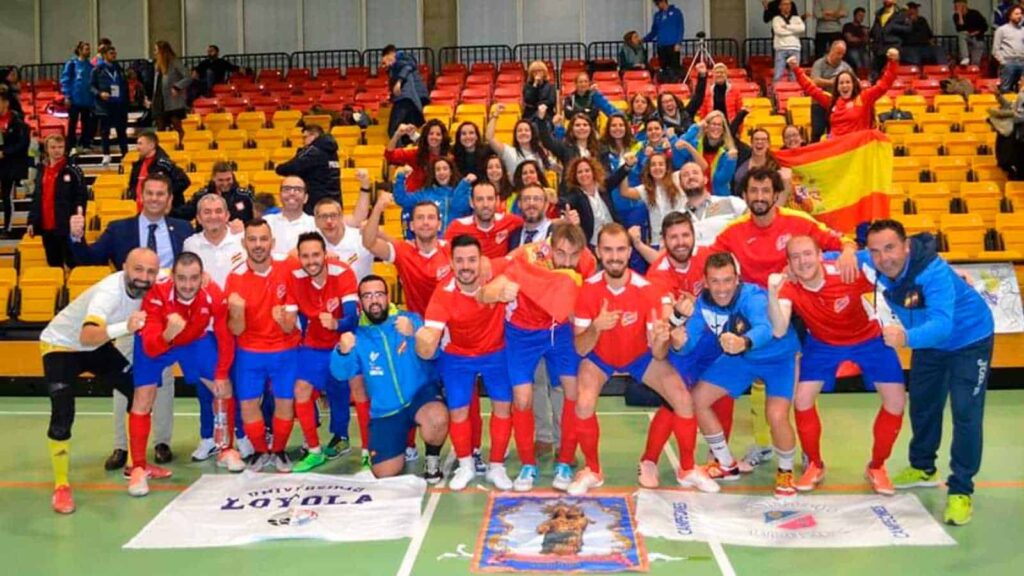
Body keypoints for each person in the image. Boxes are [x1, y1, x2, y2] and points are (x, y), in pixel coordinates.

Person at [568, 223, 717, 496]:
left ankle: (687, 469)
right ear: (599, 252)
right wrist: (596, 327)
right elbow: (580, 348)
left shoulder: (647, 289)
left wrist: (661, 337)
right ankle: (592, 470)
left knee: (683, 400)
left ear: (629, 252)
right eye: (609, 250)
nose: (615, 256)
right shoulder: (587, 290)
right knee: (584, 403)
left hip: (640, 356)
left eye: (621, 249)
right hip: (600, 357)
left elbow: (659, 353)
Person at [862, 219, 994, 526]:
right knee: (923, 405)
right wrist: (838, 253)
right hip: (929, 344)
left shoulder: (932, 271)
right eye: (876, 251)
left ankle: (961, 489)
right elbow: (839, 257)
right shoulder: (875, 261)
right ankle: (923, 467)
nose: (884, 258)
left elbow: (943, 325)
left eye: (891, 248)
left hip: (969, 340)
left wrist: (906, 338)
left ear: (906, 246)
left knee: (966, 412)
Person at [68, 174, 190, 469]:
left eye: (162, 194)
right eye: (150, 193)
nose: (155, 198)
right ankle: (121, 447)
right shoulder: (119, 229)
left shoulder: (184, 230)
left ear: (170, 199)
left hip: (165, 317)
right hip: (128, 316)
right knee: (123, 379)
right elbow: (87, 258)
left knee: (164, 380)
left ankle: (162, 441)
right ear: (141, 195)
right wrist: (75, 237)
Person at [767, 235, 906, 495]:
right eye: (795, 257)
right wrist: (773, 294)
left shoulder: (847, 269)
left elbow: (892, 266)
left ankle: (877, 466)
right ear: (788, 263)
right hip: (823, 343)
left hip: (869, 339)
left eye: (807, 254)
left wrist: (850, 249)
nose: (802, 261)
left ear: (821, 255)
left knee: (896, 402)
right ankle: (815, 464)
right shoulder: (789, 286)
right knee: (802, 400)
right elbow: (778, 328)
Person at [40, 248, 159, 513]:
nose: (144, 276)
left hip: (97, 347)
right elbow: (87, 335)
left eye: (151, 271)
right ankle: (61, 486)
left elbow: (173, 274)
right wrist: (125, 328)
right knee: (62, 413)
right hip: (62, 346)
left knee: (139, 392)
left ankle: (135, 464)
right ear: (125, 267)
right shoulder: (109, 292)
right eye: (138, 269)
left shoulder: (151, 279)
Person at [479, 221, 595, 491]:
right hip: (522, 333)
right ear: (550, 247)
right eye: (561, 253)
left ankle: (565, 461)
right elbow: (486, 290)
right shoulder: (527, 255)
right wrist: (497, 292)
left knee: (573, 393)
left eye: (573, 255)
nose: (567, 260)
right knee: (522, 398)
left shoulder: (587, 261)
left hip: (561, 331)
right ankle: (528, 465)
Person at [681, 252, 801, 497]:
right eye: (715, 281)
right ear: (705, 281)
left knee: (776, 415)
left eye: (727, 280)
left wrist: (743, 342)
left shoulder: (752, 296)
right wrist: (675, 337)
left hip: (779, 358)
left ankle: (786, 472)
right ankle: (726, 463)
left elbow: (767, 329)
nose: (722, 288)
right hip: (743, 359)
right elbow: (688, 342)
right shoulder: (701, 303)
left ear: (737, 279)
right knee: (697, 400)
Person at [128, 252, 242, 496]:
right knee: (143, 398)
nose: (188, 285)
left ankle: (225, 449)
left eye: (193, 279)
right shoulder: (157, 294)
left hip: (194, 340)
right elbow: (150, 347)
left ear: (202, 278)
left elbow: (224, 336)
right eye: (182, 279)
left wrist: (221, 373)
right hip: (158, 342)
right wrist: (168, 334)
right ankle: (138, 467)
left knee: (223, 388)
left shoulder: (213, 294)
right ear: (172, 277)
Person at [416, 234, 516, 491]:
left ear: (481, 260)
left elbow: (525, 256)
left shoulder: (496, 271)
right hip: (458, 355)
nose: (466, 266)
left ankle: (497, 467)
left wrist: (507, 283)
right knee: (459, 411)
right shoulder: (443, 293)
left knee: (503, 407)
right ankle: (465, 465)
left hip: (496, 351)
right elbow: (430, 336)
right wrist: (423, 339)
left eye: (472, 259)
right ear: (451, 263)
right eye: (460, 261)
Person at [332, 275, 448, 483]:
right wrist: (343, 351)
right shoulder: (356, 335)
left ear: (387, 297)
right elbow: (341, 374)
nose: (374, 300)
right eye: (367, 296)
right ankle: (400, 443)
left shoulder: (409, 319)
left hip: (420, 397)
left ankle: (432, 457)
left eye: (378, 294)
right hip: (386, 409)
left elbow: (435, 354)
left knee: (437, 419)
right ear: (361, 302)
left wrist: (416, 333)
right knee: (384, 472)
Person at [225, 218, 300, 472]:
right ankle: (259, 450)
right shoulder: (234, 277)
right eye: (253, 239)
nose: (258, 245)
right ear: (244, 242)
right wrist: (236, 312)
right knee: (247, 403)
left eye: (263, 239)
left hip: (286, 349)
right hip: (249, 351)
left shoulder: (288, 266)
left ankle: (278, 450)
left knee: (285, 402)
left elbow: (317, 263)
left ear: (272, 242)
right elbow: (235, 330)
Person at [286, 232, 359, 473]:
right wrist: (284, 319)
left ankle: (354, 444)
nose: (311, 261)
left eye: (316, 254)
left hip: (341, 343)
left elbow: (353, 317)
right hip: (312, 346)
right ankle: (314, 450)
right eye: (305, 256)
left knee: (347, 391)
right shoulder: (295, 277)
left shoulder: (343, 273)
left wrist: (337, 324)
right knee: (301, 390)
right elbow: (290, 318)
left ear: (325, 254)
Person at [790, 47, 900, 138]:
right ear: (837, 87)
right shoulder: (831, 101)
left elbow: (884, 84)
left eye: (848, 82)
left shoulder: (864, 97)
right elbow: (811, 88)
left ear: (853, 85)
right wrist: (796, 69)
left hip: (858, 151)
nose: (844, 85)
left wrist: (893, 62)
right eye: (841, 83)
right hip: (838, 153)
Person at [27, 134, 87, 268]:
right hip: (47, 226)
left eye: (60, 147)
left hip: (67, 226)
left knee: (74, 263)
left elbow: (81, 197)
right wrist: (32, 221)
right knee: (53, 264)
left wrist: (78, 221)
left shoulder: (73, 170)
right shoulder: (41, 170)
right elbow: (37, 197)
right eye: (53, 147)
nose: (57, 150)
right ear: (47, 149)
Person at [561, 156, 633, 248]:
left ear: (593, 172)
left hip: (615, 237)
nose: (584, 174)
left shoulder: (604, 187)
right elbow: (565, 201)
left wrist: (628, 166)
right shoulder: (576, 195)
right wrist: (554, 200)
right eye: (579, 172)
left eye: (587, 170)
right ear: (575, 176)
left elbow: (617, 176)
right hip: (593, 245)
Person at [393, 159, 473, 239]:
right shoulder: (425, 194)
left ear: (451, 172)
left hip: (456, 245)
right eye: (438, 169)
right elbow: (401, 199)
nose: (441, 172)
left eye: (445, 169)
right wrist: (401, 176)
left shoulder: (463, 192)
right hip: (432, 246)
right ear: (434, 174)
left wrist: (464, 185)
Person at [445, 181, 524, 258]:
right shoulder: (457, 227)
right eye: (480, 199)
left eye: (490, 199)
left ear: (497, 201)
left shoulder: (510, 221)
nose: (485, 205)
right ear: (471, 202)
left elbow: (533, 227)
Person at [182, 194, 245, 290]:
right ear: (198, 218)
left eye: (218, 211)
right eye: (207, 212)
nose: (213, 216)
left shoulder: (243, 239)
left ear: (227, 215)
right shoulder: (190, 245)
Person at [275, 124, 341, 213]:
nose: (303, 141)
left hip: (316, 202)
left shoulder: (314, 151)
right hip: (334, 200)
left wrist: (278, 168)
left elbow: (293, 167)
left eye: (305, 137)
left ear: (313, 136)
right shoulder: (332, 152)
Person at [174, 161, 254, 228]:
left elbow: (256, 217)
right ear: (213, 178)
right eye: (221, 180)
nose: (225, 183)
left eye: (228, 179)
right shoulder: (201, 196)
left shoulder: (244, 196)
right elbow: (185, 214)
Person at [126, 131, 191, 213]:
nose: (137, 147)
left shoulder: (164, 164)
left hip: (167, 213)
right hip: (143, 212)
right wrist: (134, 195)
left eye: (140, 144)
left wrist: (165, 194)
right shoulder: (137, 165)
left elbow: (184, 181)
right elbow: (133, 185)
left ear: (151, 145)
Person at [385, 119, 451, 193]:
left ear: (443, 137)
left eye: (438, 134)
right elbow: (390, 156)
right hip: (413, 196)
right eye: (431, 134)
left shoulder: (449, 157)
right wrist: (397, 135)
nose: (434, 137)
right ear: (426, 136)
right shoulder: (417, 154)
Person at [91, 44, 130, 167]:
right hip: (105, 105)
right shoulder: (97, 70)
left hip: (119, 104)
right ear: (104, 55)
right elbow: (91, 86)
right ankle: (106, 154)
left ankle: (125, 153)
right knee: (105, 131)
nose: (113, 55)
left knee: (121, 130)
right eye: (111, 53)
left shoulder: (119, 69)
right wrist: (100, 93)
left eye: (114, 53)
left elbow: (124, 85)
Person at [806, 40, 853, 141]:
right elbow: (814, 81)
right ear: (831, 50)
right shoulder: (819, 64)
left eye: (842, 54)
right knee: (817, 132)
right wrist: (833, 83)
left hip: (836, 104)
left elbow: (853, 80)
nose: (840, 56)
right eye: (838, 53)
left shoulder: (845, 66)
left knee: (834, 132)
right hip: (819, 103)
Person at [487, 106, 552, 177]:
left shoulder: (541, 153)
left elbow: (558, 168)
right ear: (515, 135)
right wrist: (495, 115)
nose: (523, 133)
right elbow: (490, 138)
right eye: (519, 131)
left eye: (526, 130)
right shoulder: (509, 152)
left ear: (532, 134)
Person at [382, 44, 429, 138]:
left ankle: (397, 152)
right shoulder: (398, 65)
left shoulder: (400, 59)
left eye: (384, 61)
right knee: (408, 131)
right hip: (412, 100)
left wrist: (399, 82)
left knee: (393, 130)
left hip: (405, 98)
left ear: (390, 54)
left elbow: (407, 67)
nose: (384, 65)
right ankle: (420, 145)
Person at [263, 176, 317, 258]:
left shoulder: (315, 224)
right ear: (279, 196)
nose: (292, 193)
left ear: (306, 198)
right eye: (287, 189)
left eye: (298, 190)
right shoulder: (266, 222)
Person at [0, 86, 28, 237]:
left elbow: (23, 143)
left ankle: (7, 227)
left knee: (6, 196)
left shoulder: (17, 122)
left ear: (6, 103)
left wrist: (5, 152)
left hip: (10, 166)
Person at [148, 41, 191, 140]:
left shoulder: (175, 62)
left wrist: (177, 87)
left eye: (156, 50)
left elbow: (188, 77)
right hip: (159, 99)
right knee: (160, 127)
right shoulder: (157, 65)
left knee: (176, 125)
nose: (154, 53)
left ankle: (180, 144)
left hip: (172, 100)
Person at [61, 41, 96, 154]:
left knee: (86, 122)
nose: (88, 51)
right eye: (86, 49)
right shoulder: (72, 64)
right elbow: (65, 80)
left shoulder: (90, 66)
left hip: (87, 99)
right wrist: (67, 95)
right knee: (73, 123)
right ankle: (71, 145)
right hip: (74, 99)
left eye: (89, 49)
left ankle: (85, 143)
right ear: (80, 50)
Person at [869, 0, 911, 80]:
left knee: (891, 74)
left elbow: (909, 29)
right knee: (874, 75)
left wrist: (893, 27)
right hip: (879, 48)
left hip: (893, 47)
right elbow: (875, 29)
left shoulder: (901, 13)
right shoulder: (879, 13)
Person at [645, 0, 685, 82]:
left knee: (674, 68)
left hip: (673, 45)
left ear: (663, 1)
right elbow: (654, 31)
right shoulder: (657, 15)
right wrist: (645, 39)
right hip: (661, 46)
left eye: (658, 3)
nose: (657, 6)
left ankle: (674, 85)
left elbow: (680, 28)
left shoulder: (676, 12)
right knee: (663, 68)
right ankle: (665, 84)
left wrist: (678, 42)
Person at [698, 63, 746, 131]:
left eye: (722, 72)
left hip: (730, 127)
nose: (719, 74)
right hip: (712, 127)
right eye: (717, 72)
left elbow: (739, 112)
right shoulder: (707, 92)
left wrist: (739, 130)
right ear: (713, 75)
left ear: (726, 75)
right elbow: (703, 112)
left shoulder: (735, 91)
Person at [993, 5, 1024, 95]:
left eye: (1021, 14)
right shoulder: (1001, 30)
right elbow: (995, 49)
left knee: (1022, 90)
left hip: (1022, 62)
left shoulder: (1023, 30)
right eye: (1016, 14)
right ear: (1010, 16)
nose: (1020, 16)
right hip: (1009, 63)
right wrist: (1003, 62)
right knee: (1005, 89)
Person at [772, 0, 806, 83]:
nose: (787, 6)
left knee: (794, 75)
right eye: (784, 4)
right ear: (780, 6)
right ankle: (776, 93)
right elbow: (778, 31)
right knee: (778, 74)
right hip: (781, 48)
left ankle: (794, 93)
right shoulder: (776, 19)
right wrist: (794, 30)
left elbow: (802, 29)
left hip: (795, 48)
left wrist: (786, 26)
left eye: (789, 4)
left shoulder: (796, 18)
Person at [953, 0, 988, 66]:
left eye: (959, 4)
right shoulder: (956, 16)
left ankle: (974, 72)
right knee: (962, 34)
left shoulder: (975, 13)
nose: (957, 7)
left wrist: (975, 33)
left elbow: (985, 26)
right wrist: (960, 15)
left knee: (975, 63)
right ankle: (965, 58)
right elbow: (960, 29)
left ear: (965, 4)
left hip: (977, 38)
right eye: (956, 5)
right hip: (966, 38)